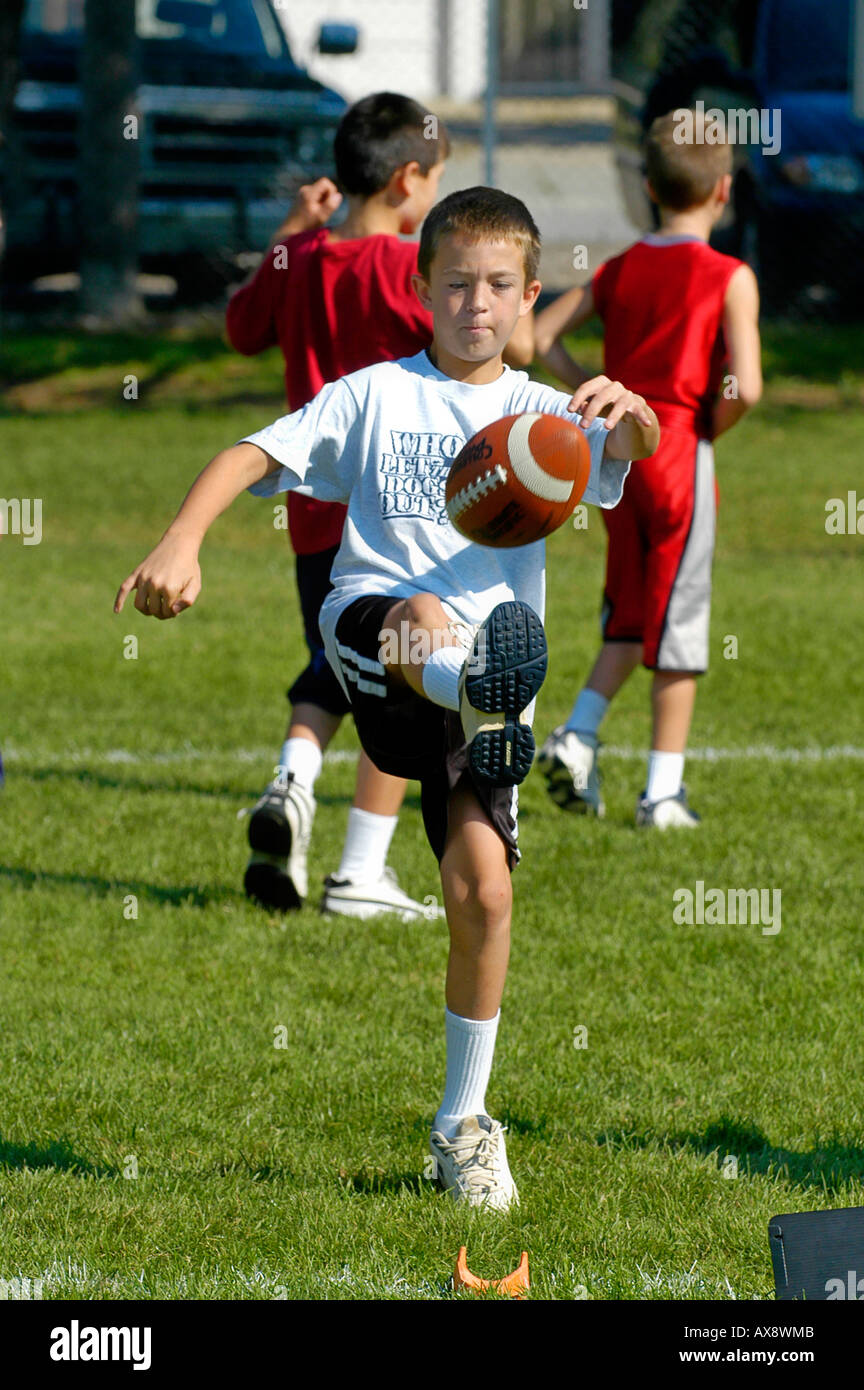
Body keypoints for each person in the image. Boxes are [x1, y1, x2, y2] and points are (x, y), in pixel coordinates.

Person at [115, 185, 658, 1210]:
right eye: (455, 283)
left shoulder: (546, 417)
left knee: (483, 892)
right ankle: (480, 682)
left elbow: (633, 455)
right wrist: (181, 539)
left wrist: (630, 416)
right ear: (420, 288)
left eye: (500, 286)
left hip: (479, 704)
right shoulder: (374, 395)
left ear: (531, 296)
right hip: (381, 643)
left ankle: (463, 1122)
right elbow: (249, 453)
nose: (477, 304)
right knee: (415, 609)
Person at [225, 92, 448, 920]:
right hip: (400, 517)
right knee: (406, 685)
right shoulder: (404, 269)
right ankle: (360, 874)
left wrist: (288, 235)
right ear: (406, 179)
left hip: (313, 513)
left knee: (332, 670)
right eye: (434, 184)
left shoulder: (302, 258)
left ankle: (292, 784)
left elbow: (242, 332)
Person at [534, 109, 762, 827]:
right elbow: (747, 386)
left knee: (633, 610)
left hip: (617, 460)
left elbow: (539, 337)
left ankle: (578, 734)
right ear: (723, 190)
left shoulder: (621, 267)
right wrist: (702, 433)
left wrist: (590, 401)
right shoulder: (730, 275)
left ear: (647, 188)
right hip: (676, 453)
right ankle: (662, 792)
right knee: (679, 624)